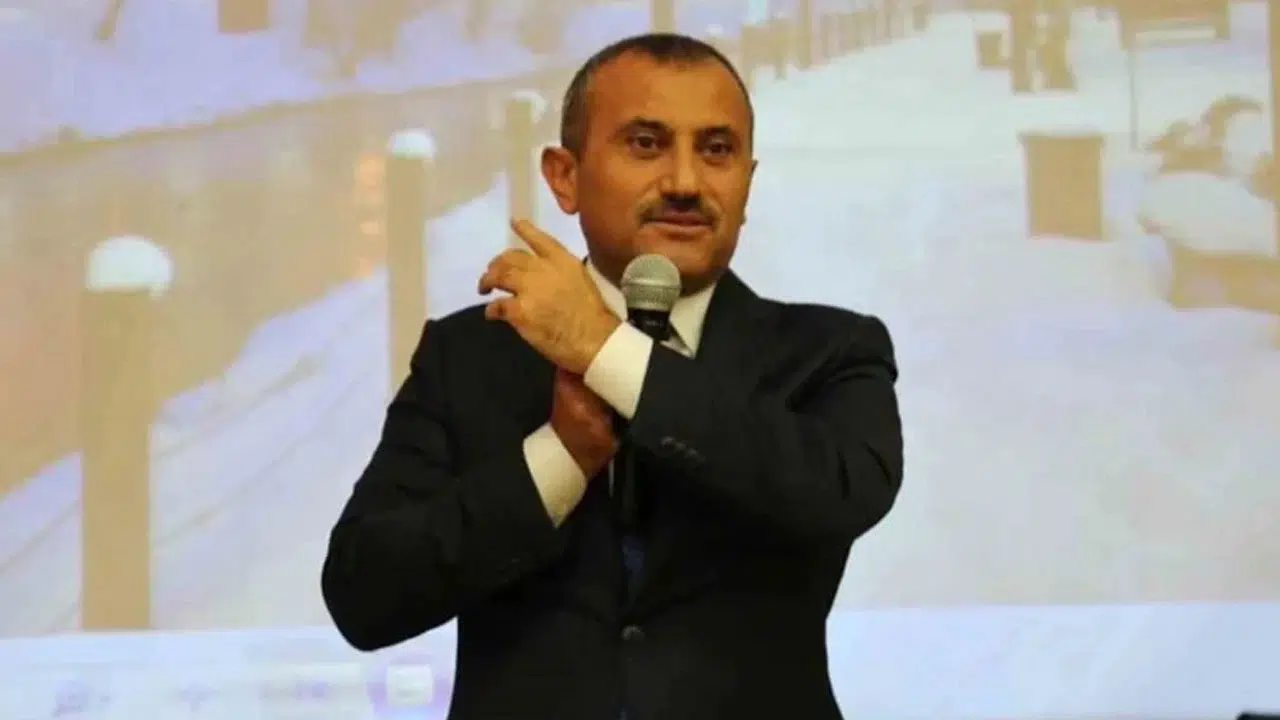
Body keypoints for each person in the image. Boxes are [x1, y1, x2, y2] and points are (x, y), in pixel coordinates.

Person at [321, 32, 904, 719]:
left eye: (716, 150)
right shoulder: (468, 355)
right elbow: (364, 595)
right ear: (564, 177)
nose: (685, 182)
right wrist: (559, 458)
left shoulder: (830, 350)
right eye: (646, 144)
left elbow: (843, 493)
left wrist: (606, 352)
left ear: (747, 182)